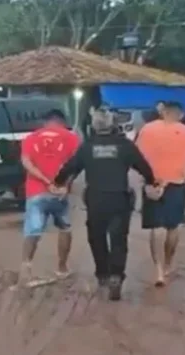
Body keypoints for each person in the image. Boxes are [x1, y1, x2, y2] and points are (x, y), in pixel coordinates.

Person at [54, 108, 156, 301]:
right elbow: (144, 167)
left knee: (96, 237)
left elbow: (69, 167)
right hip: (120, 198)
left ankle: (102, 274)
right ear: (112, 124)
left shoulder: (87, 147)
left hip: (95, 199)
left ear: (94, 126)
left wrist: (58, 181)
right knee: (119, 240)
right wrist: (152, 182)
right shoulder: (124, 145)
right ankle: (116, 275)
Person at [134, 100, 185, 287]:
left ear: (163, 112)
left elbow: (137, 155)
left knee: (156, 227)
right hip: (176, 184)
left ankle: (158, 270)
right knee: (174, 226)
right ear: (180, 114)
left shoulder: (147, 130)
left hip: (152, 183)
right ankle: (169, 263)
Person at [19, 109, 81, 285]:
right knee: (65, 228)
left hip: (36, 191)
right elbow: (75, 166)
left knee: (32, 231)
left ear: (45, 121)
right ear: (61, 121)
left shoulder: (30, 138)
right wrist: (64, 185)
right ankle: (61, 268)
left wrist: (45, 181)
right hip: (60, 193)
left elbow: (27, 163)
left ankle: (26, 269)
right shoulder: (71, 138)